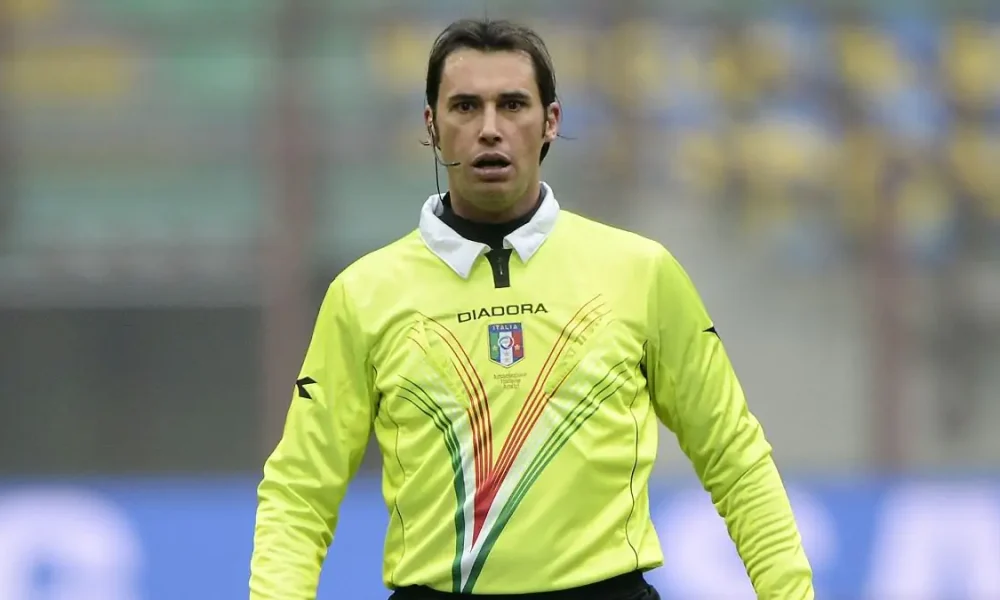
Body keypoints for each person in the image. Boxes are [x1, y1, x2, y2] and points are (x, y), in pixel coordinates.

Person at [249, 17, 815, 600]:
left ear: (551, 122)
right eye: (465, 107)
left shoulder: (641, 272)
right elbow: (301, 490)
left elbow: (735, 458)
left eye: (513, 105)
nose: (490, 129)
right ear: (431, 126)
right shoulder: (363, 293)